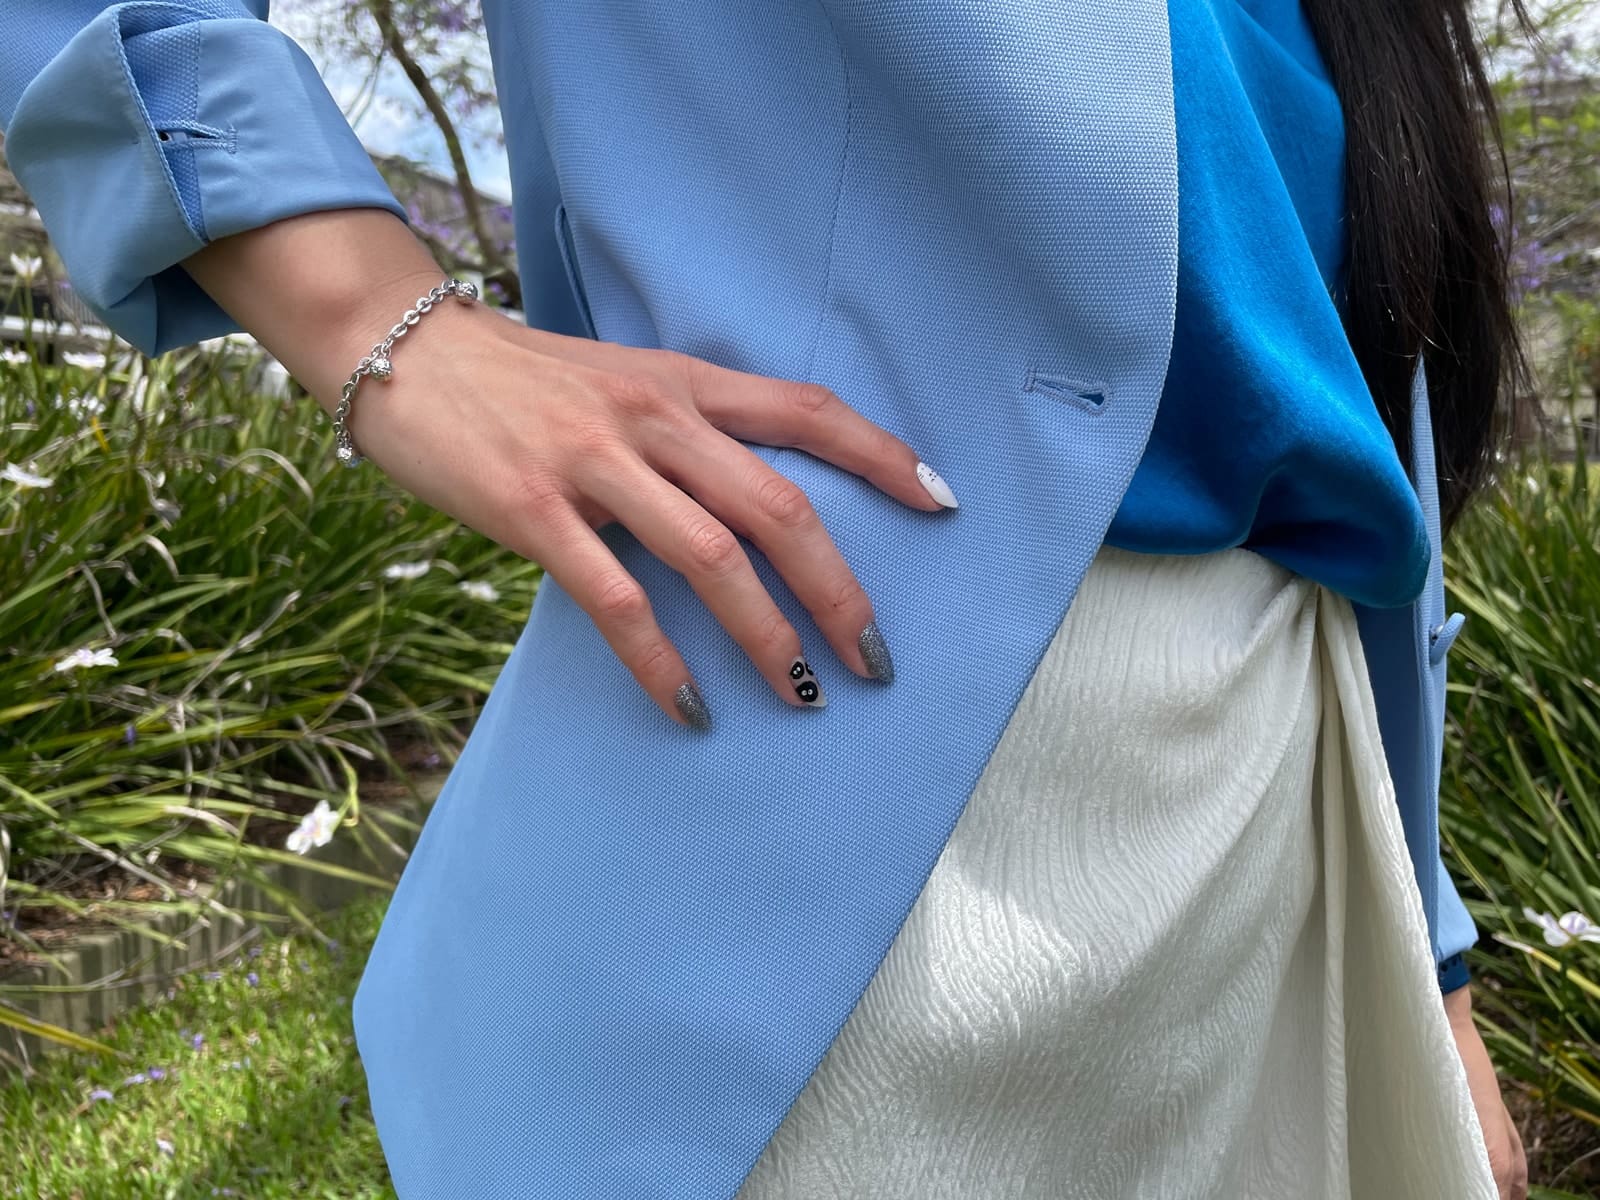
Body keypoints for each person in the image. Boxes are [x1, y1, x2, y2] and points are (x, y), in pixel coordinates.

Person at [2, 1, 1531, 1196]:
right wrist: (373, 318)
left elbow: (1351, 370)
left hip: (1292, 789)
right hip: (827, 784)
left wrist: (1430, 958)